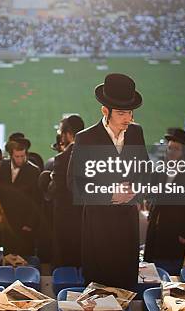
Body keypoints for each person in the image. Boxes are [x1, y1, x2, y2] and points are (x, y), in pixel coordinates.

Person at [68, 73, 149, 288]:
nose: (128, 119)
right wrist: (111, 195)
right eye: (122, 113)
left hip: (128, 226)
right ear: (105, 110)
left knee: (126, 285)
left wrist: (137, 191)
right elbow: (75, 185)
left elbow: (145, 171)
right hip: (99, 227)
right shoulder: (85, 138)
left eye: (130, 112)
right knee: (100, 288)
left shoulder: (136, 133)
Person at [144, 128, 185, 270]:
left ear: (184, 153)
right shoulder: (159, 170)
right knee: (153, 270)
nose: (170, 152)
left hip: (176, 234)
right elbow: (150, 194)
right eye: (169, 148)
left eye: (176, 149)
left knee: (171, 271)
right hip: (156, 230)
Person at [0, 137, 41, 256]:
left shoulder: (34, 170)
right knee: (8, 256)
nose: (20, 159)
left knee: (24, 258)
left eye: (23, 156)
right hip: (7, 222)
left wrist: (30, 223)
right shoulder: (4, 166)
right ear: (11, 155)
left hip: (24, 224)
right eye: (17, 156)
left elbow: (37, 200)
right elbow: (0, 192)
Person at [51, 115, 85, 268]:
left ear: (68, 134)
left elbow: (55, 191)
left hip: (65, 219)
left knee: (65, 261)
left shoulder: (61, 158)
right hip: (85, 219)